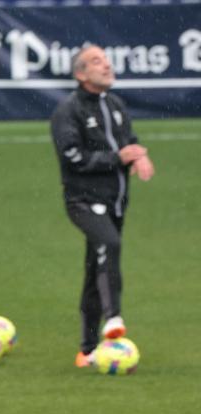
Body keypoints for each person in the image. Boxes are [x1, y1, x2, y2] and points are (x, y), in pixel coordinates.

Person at [50, 45, 154, 366]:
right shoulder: (68, 112)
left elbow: (129, 141)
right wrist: (117, 158)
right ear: (81, 74)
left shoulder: (116, 105)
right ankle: (113, 318)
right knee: (109, 243)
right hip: (83, 200)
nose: (107, 66)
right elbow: (73, 158)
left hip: (116, 201)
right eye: (97, 62)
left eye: (107, 60)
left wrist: (139, 155)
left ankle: (87, 349)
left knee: (96, 268)